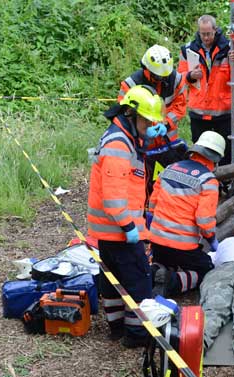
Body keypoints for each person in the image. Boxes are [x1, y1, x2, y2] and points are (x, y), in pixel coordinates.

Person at [87, 85, 166, 348]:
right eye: (147, 121)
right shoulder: (119, 144)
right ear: (132, 115)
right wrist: (129, 225)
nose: (149, 127)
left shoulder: (123, 138)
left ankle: (116, 328)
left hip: (109, 231)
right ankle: (136, 335)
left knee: (112, 282)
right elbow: (113, 195)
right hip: (120, 231)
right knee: (139, 282)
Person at [148, 130, 226, 296]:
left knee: (166, 263)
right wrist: (212, 241)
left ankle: (154, 271)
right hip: (183, 246)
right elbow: (204, 221)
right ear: (216, 160)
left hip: (157, 242)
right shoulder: (208, 181)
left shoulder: (169, 169)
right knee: (206, 270)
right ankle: (172, 282)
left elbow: (152, 205)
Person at [118, 45, 188, 196]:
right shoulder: (131, 84)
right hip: (142, 140)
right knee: (140, 176)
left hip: (167, 139)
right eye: (158, 77)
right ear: (147, 69)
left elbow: (180, 106)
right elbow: (123, 113)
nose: (162, 79)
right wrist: (142, 130)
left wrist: (166, 123)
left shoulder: (176, 80)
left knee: (168, 178)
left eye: (164, 76)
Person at [178, 14, 234, 165]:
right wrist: (190, 75)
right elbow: (180, 78)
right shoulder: (188, 50)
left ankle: (226, 182)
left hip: (223, 111)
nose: (206, 37)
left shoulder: (230, 49)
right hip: (198, 112)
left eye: (208, 33)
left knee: (226, 153)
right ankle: (204, 181)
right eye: (203, 34)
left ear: (215, 30)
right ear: (198, 31)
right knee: (200, 153)